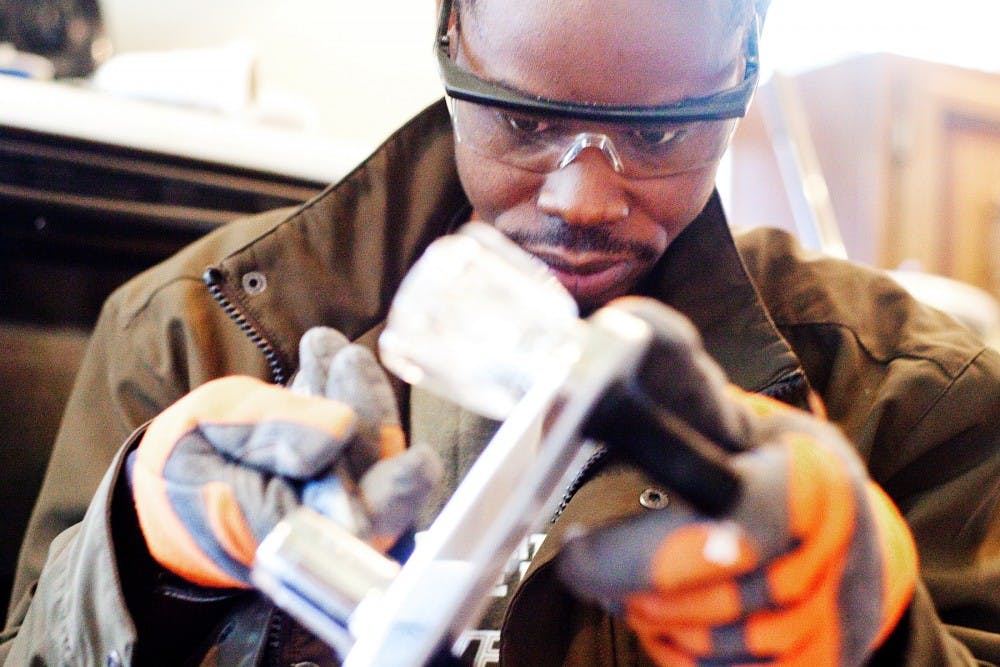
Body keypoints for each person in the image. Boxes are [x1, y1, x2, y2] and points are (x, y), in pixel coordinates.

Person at [3, 0, 999, 664]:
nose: (585, 195)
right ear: (449, 42)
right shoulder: (184, 326)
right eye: (524, 123)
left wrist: (880, 635)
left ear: (742, 77)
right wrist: (141, 556)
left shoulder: (916, 394)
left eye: (660, 134)